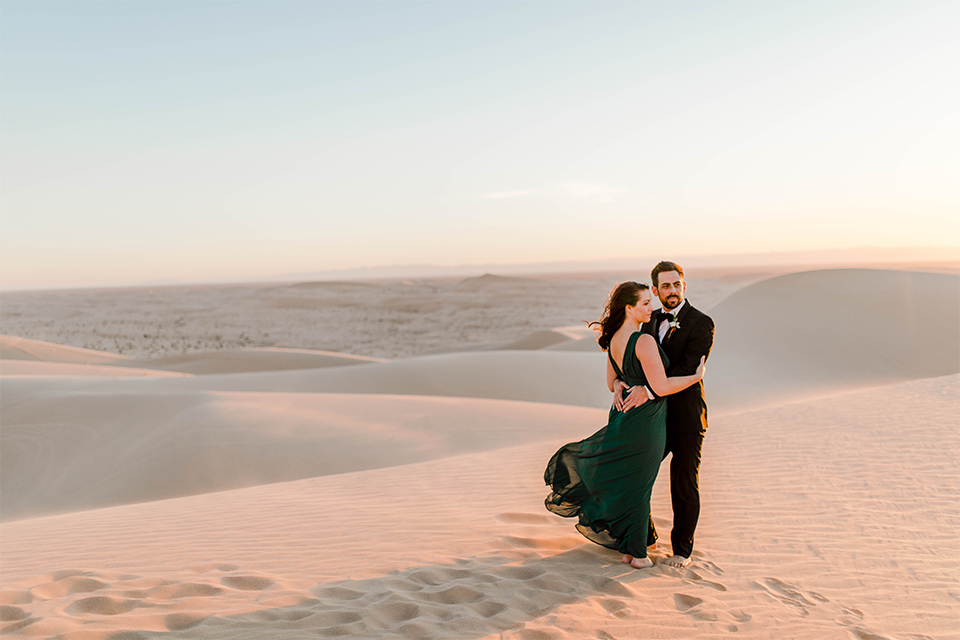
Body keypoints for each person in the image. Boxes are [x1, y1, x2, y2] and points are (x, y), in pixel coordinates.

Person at [544, 281, 706, 569]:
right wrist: (696, 377)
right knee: (640, 487)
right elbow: (661, 385)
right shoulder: (643, 341)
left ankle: (632, 550)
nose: (650, 308)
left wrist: (621, 382)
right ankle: (639, 556)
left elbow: (610, 382)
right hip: (645, 422)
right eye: (644, 303)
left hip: (621, 416)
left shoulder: (614, 339)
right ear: (629, 308)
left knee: (632, 484)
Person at [614, 261, 715, 568]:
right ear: (655, 291)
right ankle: (645, 538)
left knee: (683, 484)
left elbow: (688, 371)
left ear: (684, 286)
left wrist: (651, 389)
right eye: (665, 286)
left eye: (677, 284)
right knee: (635, 475)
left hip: (685, 418)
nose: (672, 291)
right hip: (651, 418)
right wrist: (621, 380)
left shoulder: (702, 322)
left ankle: (682, 551)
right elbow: (631, 355)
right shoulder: (648, 317)